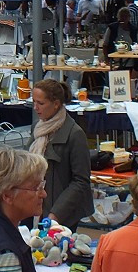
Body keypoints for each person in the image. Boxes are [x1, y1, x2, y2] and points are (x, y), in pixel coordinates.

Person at [30, 79, 93, 230]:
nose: (35, 108)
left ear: (56, 104)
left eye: (41, 103)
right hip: (36, 207)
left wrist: (56, 214)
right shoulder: (38, 128)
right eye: (34, 102)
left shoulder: (75, 134)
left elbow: (81, 181)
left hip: (62, 214)